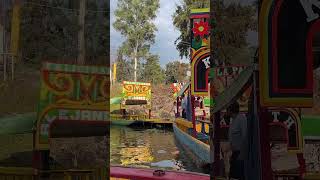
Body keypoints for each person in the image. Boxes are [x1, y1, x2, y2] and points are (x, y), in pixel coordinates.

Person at [226, 101, 247, 180]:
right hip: (235, 152)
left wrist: (242, 154)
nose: (226, 112)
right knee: (233, 175)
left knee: (240, 175)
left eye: (227, 110)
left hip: (240, 153)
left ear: (231, 110)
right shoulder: (232, 120)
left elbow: (245, 136)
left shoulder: (241, 118)